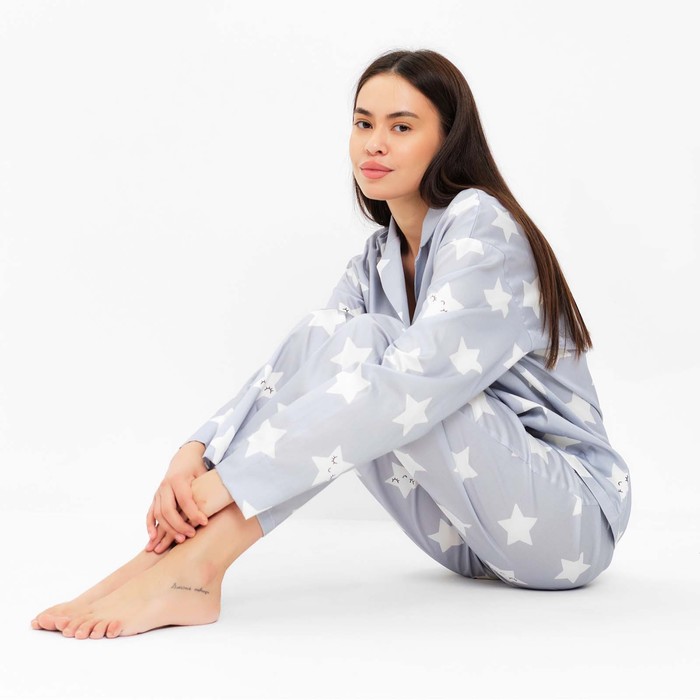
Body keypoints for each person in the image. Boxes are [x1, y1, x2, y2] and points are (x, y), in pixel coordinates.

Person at [31, 48, 632, 640]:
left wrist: (226, 485)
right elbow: (303, 363)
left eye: (402, 127)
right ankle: (158, 562)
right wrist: (198, 452)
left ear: (448, 141)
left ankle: (197, 570)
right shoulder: (376, 258)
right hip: (467, 540)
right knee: (332, 339)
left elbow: (412, 383)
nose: (375, 144)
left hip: (565, 524)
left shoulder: (482, 224)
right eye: (364, 124)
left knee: (375, 353)